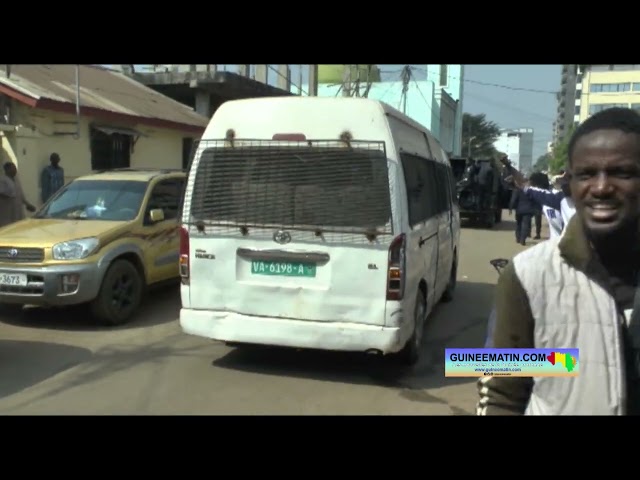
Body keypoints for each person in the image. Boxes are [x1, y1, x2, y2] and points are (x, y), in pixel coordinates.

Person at [477, 106, 640, 415]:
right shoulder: (527, 275)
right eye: (586, 174)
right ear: (571, 183)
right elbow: (501, 391)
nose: (602, 187)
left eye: (622, 173)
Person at [0, 162, 36, 228]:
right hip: (7, 211)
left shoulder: (16, 180)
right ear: (7, 169)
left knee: (19, 227)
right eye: (13, 168)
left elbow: (21, 195)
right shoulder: (2, 180)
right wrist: (8, 196)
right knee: (7, 228)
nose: (15, 170)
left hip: (18, 211)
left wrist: (28, 204)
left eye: (15, 168)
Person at [508, 179, 538, 246]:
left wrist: (510, 208)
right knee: (525, 225)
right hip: (528, 210)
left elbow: (513, 200)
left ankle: (518, 238)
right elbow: (535, 201)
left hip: (519, 210)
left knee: (518, 224)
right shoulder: (531, 191)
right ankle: (522, 240)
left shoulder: (517, 190)